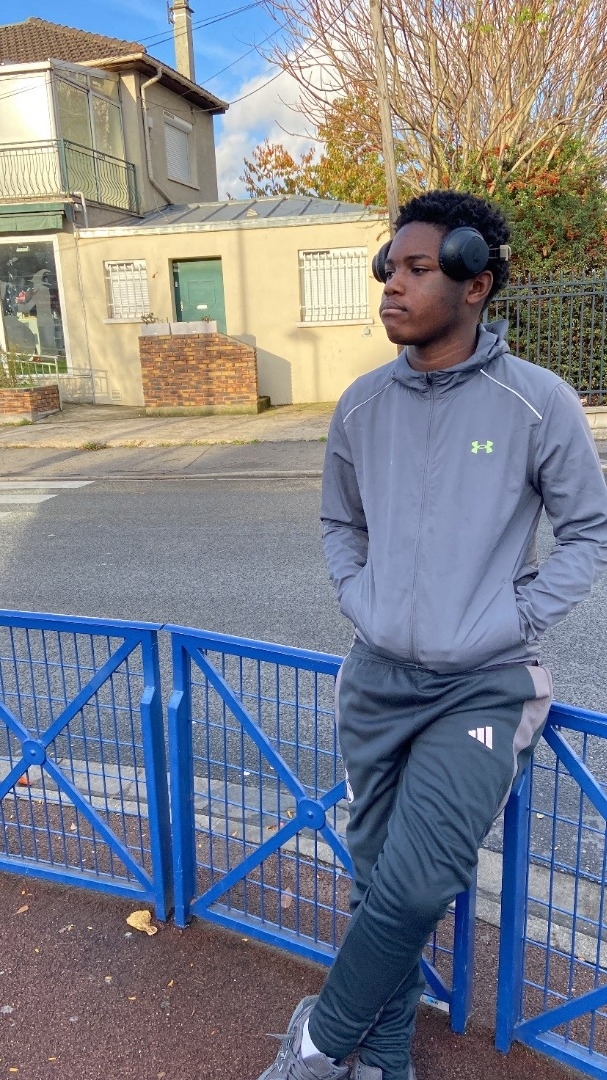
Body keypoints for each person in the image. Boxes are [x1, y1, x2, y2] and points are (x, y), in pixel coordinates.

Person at [256, 189, 607, 1080]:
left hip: (482, 684)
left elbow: (588, 531)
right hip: (377, 678)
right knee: (377, 880)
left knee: (417, 882)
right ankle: (383, 1057)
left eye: (418, 269)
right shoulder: (361, 404)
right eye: (391, 267)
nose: (392, 285)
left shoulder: (536, 402)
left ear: (474, 284)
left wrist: (514, 618)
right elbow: (340, 522)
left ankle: (317, 1044)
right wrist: (358, 596)